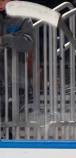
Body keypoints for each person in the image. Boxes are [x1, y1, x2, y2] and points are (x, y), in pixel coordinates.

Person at [0, 0, 33, 138]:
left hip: (14, 79)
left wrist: (4, 40)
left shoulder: (23, 19)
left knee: (9, 118)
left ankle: (8, 142)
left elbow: (27, 43)